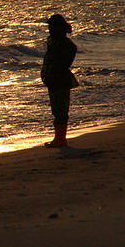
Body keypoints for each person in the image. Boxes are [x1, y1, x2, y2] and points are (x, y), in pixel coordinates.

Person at [40, 13, 78, 147]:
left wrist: (56, 69)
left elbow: (62, 59)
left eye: (51, 26)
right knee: (58, 109)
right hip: (56, 78)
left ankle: (60, 139)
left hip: (59, 78)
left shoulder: (61, 42)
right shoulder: (57, 41)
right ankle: (59, 138)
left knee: (60, 109)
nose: (49, 29)